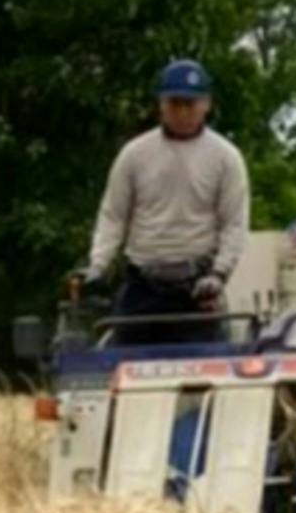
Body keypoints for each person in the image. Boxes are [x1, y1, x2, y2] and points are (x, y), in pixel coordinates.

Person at [86, 59, 251, 326]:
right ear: (161, 104)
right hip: (141, 287)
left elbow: (234, 224)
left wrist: (219, 274)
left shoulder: (226, 158)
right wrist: (99, 265)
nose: (183, 112)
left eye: (190, 104)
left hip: (198, 288)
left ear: (206, 104)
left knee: (210, 352)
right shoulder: (134, 154)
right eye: (175, 103)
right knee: (114, 350)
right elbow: (113, 215)